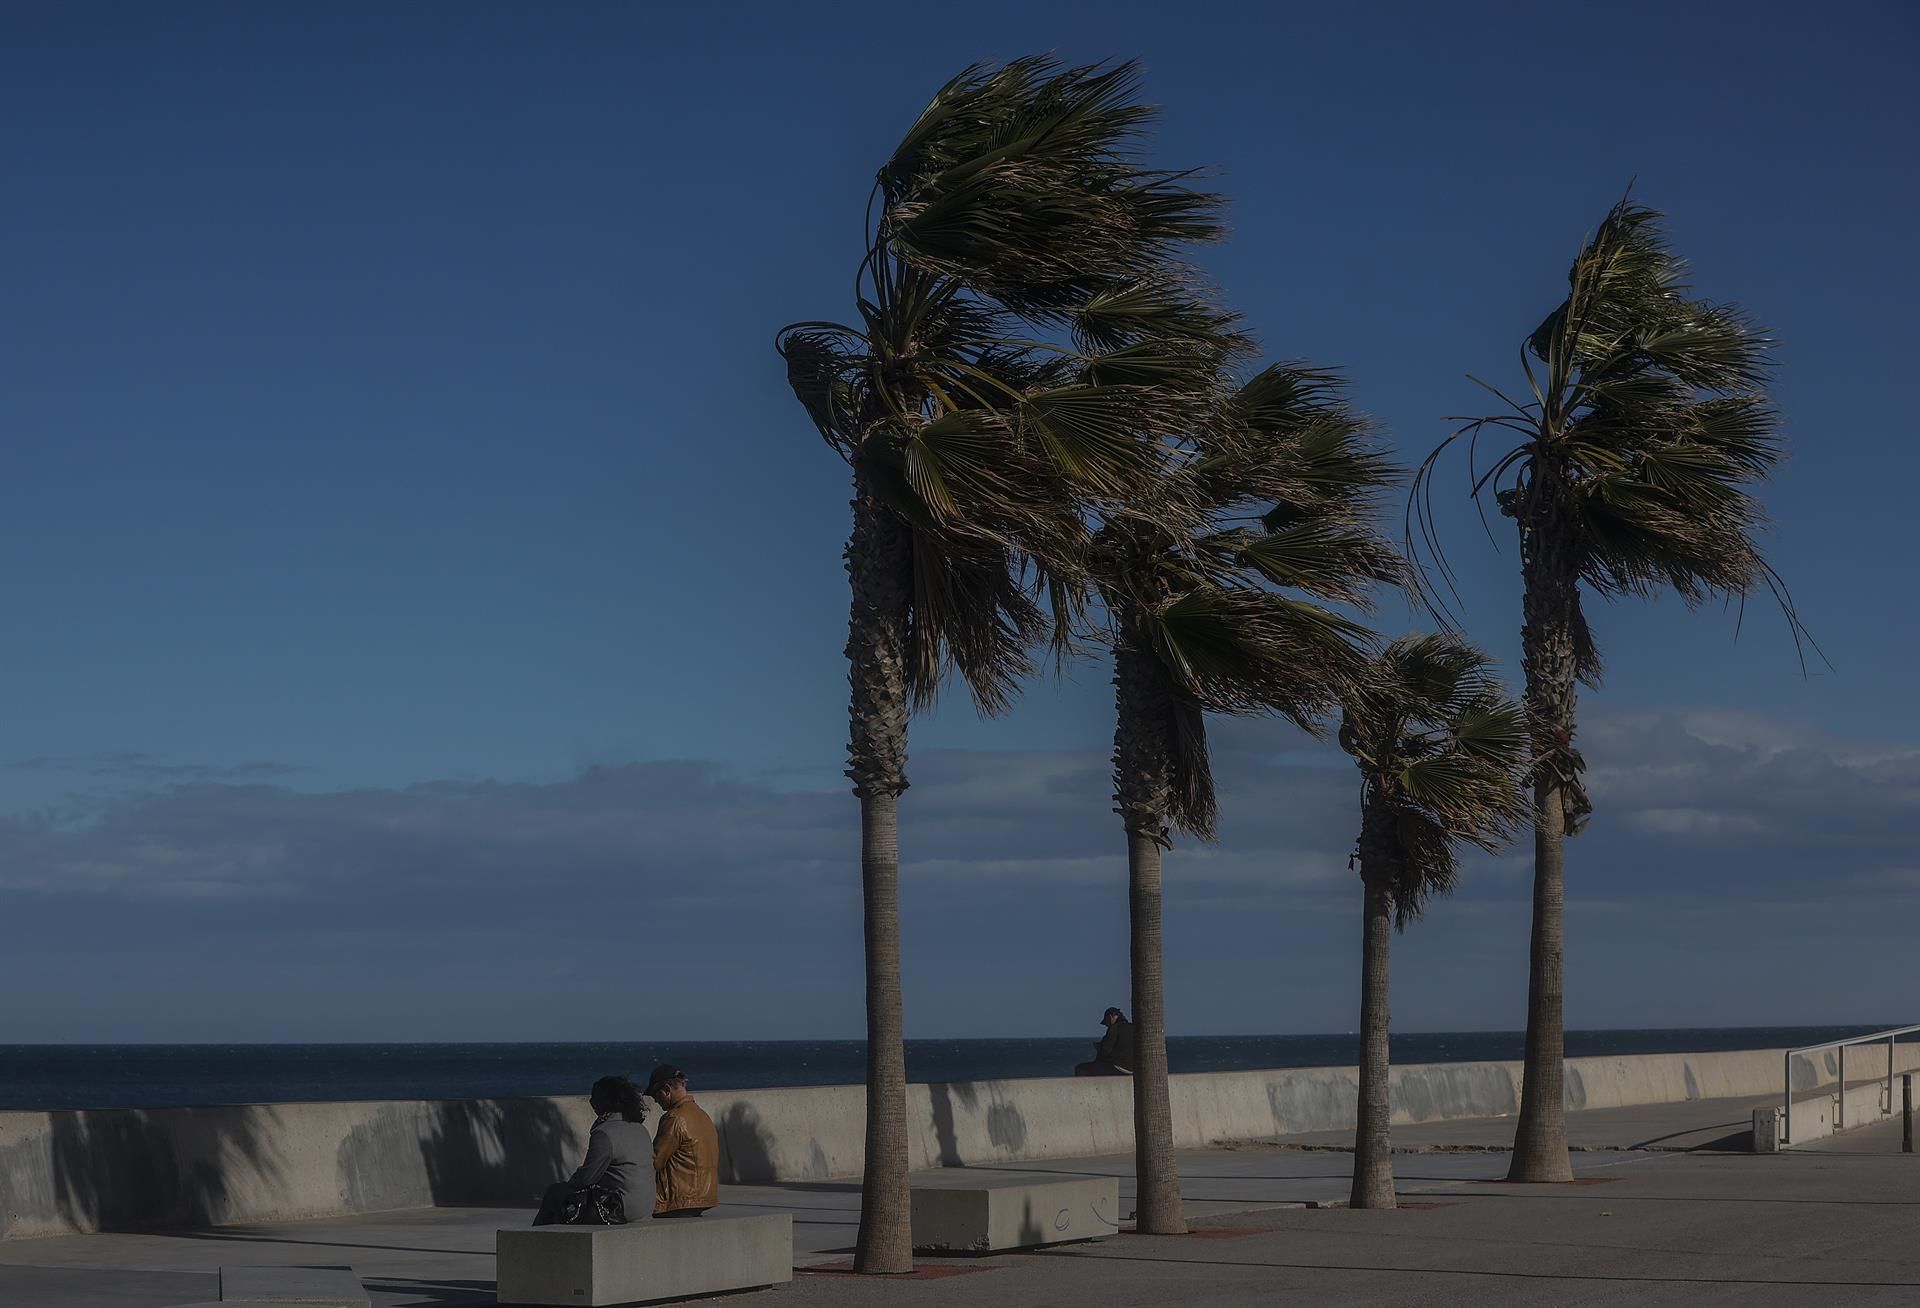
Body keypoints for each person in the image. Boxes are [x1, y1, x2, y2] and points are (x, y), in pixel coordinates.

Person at [533, 1075, 651, 1225]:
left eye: (595, 1097)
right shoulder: (640, 1129)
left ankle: (531, 1242)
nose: (591, 1102)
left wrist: (567, 1186)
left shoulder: (605, 1133)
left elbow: (587, 1178)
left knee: (555, 1193)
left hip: (619, 1207)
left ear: (606, 1101)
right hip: (644, 1206)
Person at [646, 1062, 719, 1218]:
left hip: (677, 1201)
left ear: (666, 1090)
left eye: (655, 1095)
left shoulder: (673, 1118)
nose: (656, 1101)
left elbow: (655, 1162)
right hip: (705, 1198)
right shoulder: (702, 1115)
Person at [1074, 1007, 1136, 1077]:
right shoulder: (1133, 1027)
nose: (1107, 1026)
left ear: (1110, 1017)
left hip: (1119, 1068)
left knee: (1080, 1069)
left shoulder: (1114, 1028)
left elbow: (1105, 1051)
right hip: (1133, 1068)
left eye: (1107, 1024)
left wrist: (1099, 1047)